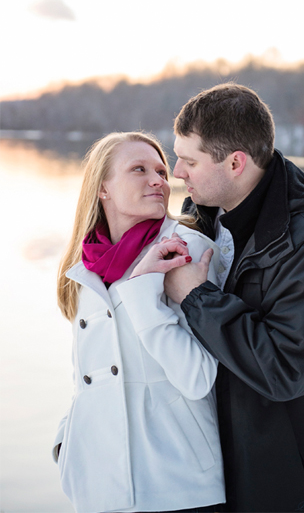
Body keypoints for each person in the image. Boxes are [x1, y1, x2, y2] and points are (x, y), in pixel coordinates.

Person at [153, 82, 304, 512]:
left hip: (300, 491)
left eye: (189, 160)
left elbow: (285, 369)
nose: (177, 172)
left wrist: (197, 298)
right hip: (228, 478)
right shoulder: (204, 220)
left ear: (235, 163)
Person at [53, 131, 224, 513]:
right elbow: (90, 376)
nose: (158, 181)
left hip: (179, 486)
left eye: (162, 171)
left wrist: (144, 289)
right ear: (103, 189)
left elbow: (197, 378)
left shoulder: (188, 251)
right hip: (99, 486)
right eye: (139, 169)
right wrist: (68, 444)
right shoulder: (83, 267)